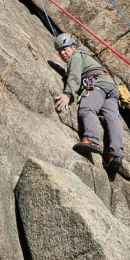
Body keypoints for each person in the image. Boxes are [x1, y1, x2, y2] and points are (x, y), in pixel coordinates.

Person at [53, 32, 124, 170]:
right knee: (112, 119)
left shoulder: (76, 56)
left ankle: (91, 139)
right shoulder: (86, 56)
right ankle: (116, 155)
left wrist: (67, 93)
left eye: (65, 49)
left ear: (73, 47)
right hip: (110, 87)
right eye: (59, 51)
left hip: (97, 84)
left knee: (87, 108)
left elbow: (74, 76)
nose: (62, 53)